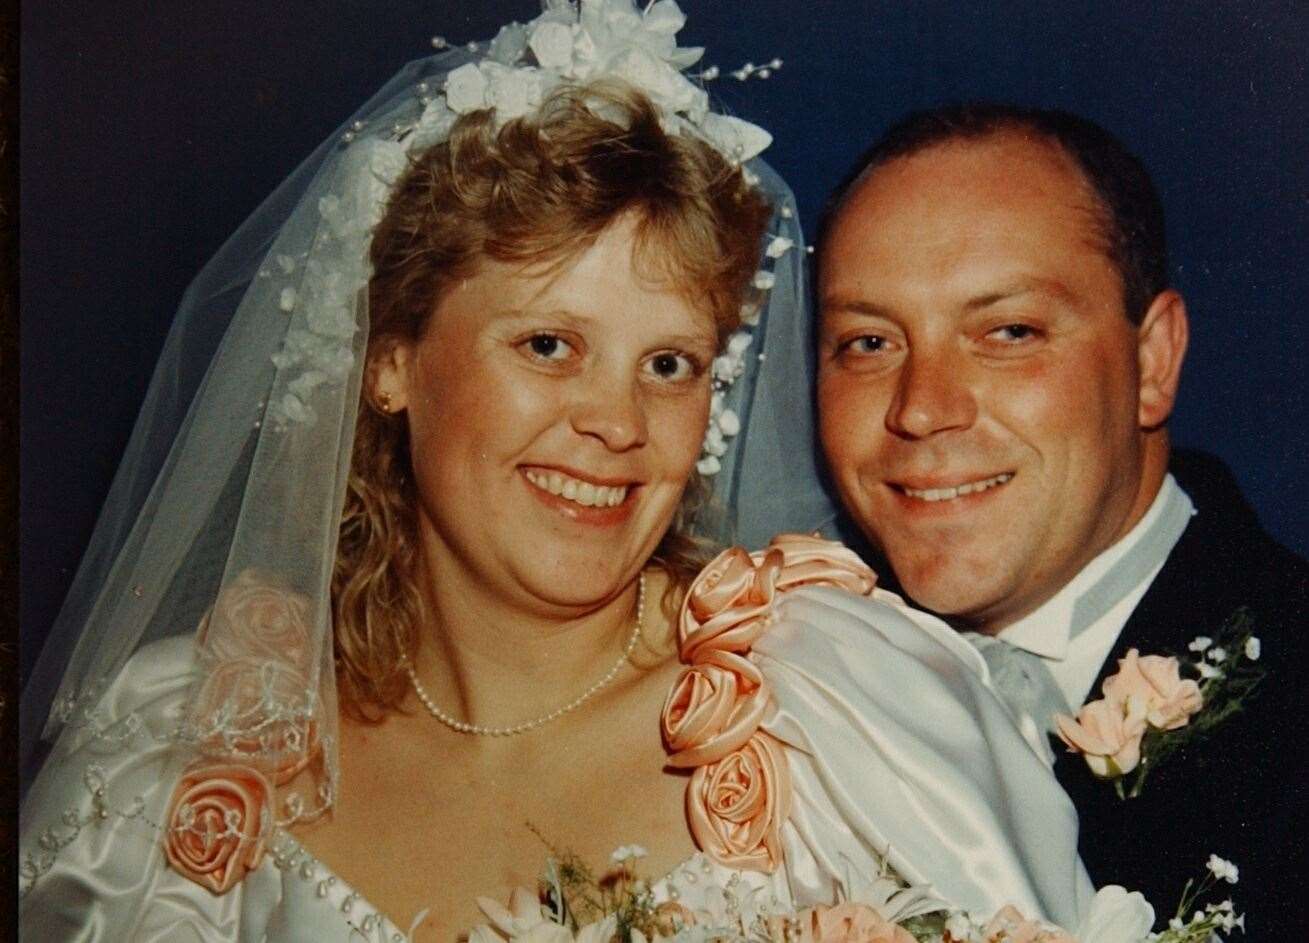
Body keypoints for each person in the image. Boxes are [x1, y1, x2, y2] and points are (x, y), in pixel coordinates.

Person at [19, 9, 1097, 941]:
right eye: (548, 345)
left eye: (667, 364)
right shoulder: (173, 753)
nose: (617, 423)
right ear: (392, 358)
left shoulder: (847, 716)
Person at [816, 101, 1309, 934]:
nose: (921, 410)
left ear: (1152, 361)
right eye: (868, 343)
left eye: (1008, 331)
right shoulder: (792, 682)